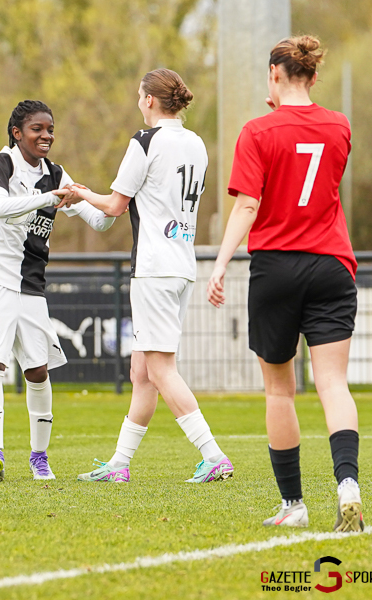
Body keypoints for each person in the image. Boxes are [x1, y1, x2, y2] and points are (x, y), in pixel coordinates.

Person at [207, 36, 362, 532]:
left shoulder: (257, 131)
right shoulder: (340, 126)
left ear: (273, 75)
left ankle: (294, 505)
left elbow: (248, 205)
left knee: (280, 391)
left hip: (276, 268)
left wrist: (219, 263)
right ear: (312, 76)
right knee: (333, 383)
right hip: (332, 265)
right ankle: (348, 485)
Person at [69, 69, 234, 485]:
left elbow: (114, 206)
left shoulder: (144, 142)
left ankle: (212, 455)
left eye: (139, 95)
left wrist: (78, 193)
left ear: (148, 100)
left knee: (160, 370)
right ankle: (119, 464)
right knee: (141, 372)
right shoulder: (196, 143)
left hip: (155, 267)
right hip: (181, 264)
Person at [0, 100, 115, 481]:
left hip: (32, 289)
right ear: (17, 133)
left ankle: (39, 458)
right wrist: (51, 198)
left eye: (50, 129)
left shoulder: (56, 173)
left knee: (38, 372)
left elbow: (100, 222)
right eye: (37, 129)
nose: (46, 135)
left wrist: (109, 197)